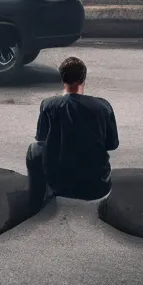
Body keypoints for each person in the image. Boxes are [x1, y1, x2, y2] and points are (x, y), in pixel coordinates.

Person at [26, 56, 120, 213]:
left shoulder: (49, 105)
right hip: (97, 187)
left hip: (59, 186)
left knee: (34, 149)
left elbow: (41, 138)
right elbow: (112, 144)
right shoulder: (103, 106)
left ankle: (38, 198)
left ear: (62, 79)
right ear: (83, 78)